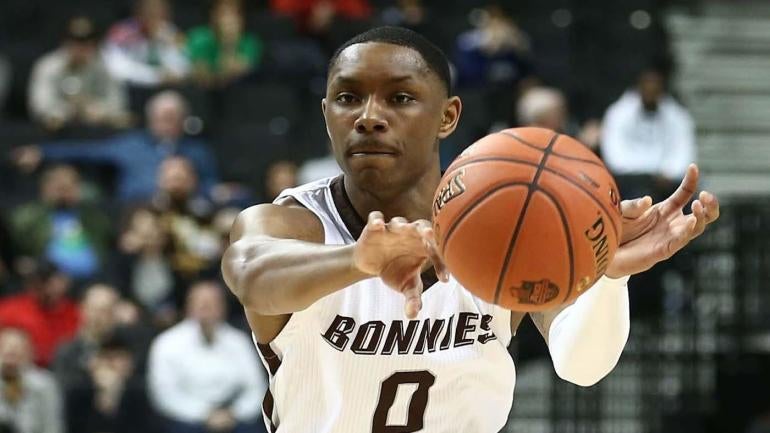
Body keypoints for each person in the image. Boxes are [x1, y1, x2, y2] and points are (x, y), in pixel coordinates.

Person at [221, 27, 720, 432]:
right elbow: (251, 273)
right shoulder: (294, 222)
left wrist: (609, 278)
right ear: (326, 114)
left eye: (400, 98)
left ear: (448, 116)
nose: (370, 117)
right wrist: (357, 261)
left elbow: (582, 366)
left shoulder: (509, 226)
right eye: (348, 97)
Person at [12, 91, 219, 202]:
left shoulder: (197, 151)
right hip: (137, 212)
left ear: (183, 120)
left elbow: (212, 187)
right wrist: (42, 152)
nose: (166, 124)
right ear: (150, 119)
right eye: (160, 118)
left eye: (171, 118)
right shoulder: (130, 145)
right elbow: (85, 152)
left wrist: (196, 190)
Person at [147, 281, 266, 433]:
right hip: (187, 419)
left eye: (212, 304)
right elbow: (164, 395)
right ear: (188, 307)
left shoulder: (239, 341)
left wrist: (235, 413)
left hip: (233, 416)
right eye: (201, 304)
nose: (206, 309)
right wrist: (205, 414)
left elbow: (256, 387)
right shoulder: (166, 343)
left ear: (223, 308)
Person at [600, 66, 696, 201]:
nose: (651, 90)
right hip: (631, 181)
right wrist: (646, 175)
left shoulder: (678, 116)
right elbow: (615, 157)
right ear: (638, 86)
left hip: (667, 183)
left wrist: (668, 173)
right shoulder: (618, 113)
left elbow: (684, 152)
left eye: (655, 86)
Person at [10, 165, 112, 281]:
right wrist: (48, 203)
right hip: (46, 279)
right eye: (59, 187)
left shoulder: (93, 216)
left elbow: (107, 240)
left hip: (92, 280)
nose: (64, 192)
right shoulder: (29, 215)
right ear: (45, 187)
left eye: (70, 186)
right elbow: (16, 241)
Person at [28, 16, 130, 132]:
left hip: (98, 132)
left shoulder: (105, 66)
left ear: (94, 43)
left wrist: (96, 110)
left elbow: (117, 103)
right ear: (65, 42)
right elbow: (39, 106)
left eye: (86, 41)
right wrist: (69, 110)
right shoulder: (48, 66)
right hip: (57, 132)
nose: (80, 47)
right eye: (75, 41)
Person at [0, 262, 79, 367]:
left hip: (60, 369)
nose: (49, 290)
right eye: (43, 283)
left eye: (54, 284)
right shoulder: (10, 309)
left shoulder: (73, 313)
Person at [103, 0, 189, 87]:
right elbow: (116, 69)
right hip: (127, 89)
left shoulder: (169, 32)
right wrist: (155, 76)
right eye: (150, 10)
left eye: (159, 10)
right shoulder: (121, 32)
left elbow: (183, 66)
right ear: (138, 11)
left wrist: (162, 41)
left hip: (161, 89)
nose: (154, 14)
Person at [187, 0, 263, 88]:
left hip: (238, 93)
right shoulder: (199, 38)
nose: (229, 20)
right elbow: (204, 79)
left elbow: (235, 72)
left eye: (234, 14)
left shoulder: (251, 42)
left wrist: (229, 42)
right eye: (224, 14)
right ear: (214, 16)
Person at [0, 328, 63, 433]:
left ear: (29, 354)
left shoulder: (45, 384)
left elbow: (52, 425)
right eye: (6, 352)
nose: (11, 360)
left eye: (17, 352)